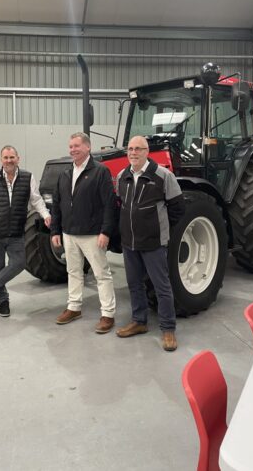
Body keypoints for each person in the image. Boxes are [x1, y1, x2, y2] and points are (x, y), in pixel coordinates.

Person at [115, 136, 185, 351]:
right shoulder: (122, 176)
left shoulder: (163, 176)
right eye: (130, 149)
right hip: (130, 242)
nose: (133, 153)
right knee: (134, 284)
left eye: (138, 149)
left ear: (147, 151)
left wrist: (160, 230)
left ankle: (168, 329)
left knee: (161, 286)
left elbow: (177, 209)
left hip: (154, 243)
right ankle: (139, 321)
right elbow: (122, 205)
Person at [51, 132, 116, 333]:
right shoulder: (65, 173)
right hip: (69, 233)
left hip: (92, 234)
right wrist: (55, 230)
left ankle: (108, 314)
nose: (73, 150)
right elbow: (57, 203)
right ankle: (74, 307)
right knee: (73, 272)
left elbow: (109, 204)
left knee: (101, 274)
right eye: (70, 146)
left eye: (77, 146)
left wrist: (105, 231)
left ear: (88, 147)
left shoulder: (100, 171)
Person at [0, 145, 51, 317]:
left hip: (16, 232)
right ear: (1, 159)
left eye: (12, 157)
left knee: (19, 263)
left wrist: (45, 214)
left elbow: (36, 199)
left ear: (18, 158)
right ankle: (4, 301)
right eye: (5, 158)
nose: (9, 161)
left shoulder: (27, 177)